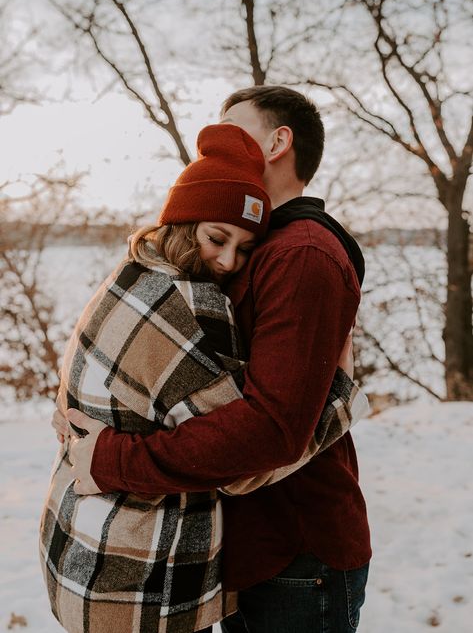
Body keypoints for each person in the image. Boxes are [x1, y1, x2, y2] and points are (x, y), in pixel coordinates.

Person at [42, 121, 366, 633]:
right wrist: (340, 400)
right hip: (137, 572)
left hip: (85, 550)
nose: (228, 260)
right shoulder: (186, 305)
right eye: (218, 238)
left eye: (243, 248)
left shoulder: (129, 274)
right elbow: (247, 461)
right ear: (183, 220)